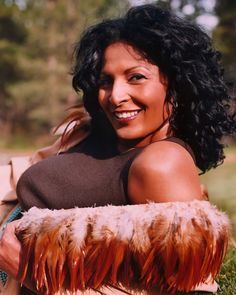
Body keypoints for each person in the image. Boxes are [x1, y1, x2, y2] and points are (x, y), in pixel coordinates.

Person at [0, 3, 235, 294]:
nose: (115, 96)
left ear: (177, 85)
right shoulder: (100, 132)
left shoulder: (161, 163)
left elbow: (191, 286)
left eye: (136, 77)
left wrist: (30, 273)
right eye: (105, 81)